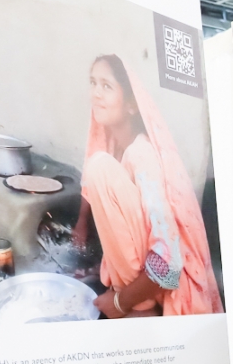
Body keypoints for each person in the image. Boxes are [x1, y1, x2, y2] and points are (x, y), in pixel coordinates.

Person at [74, 55, 223, 317]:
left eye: (106, 86)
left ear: (132, 105)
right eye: (93, 83)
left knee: (98, 167)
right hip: (150, 278)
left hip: (172, 291)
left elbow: (169, 265)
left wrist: (120, 302)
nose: (95, 93)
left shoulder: (141, 154)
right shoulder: (119, 150)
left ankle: (142, 307)